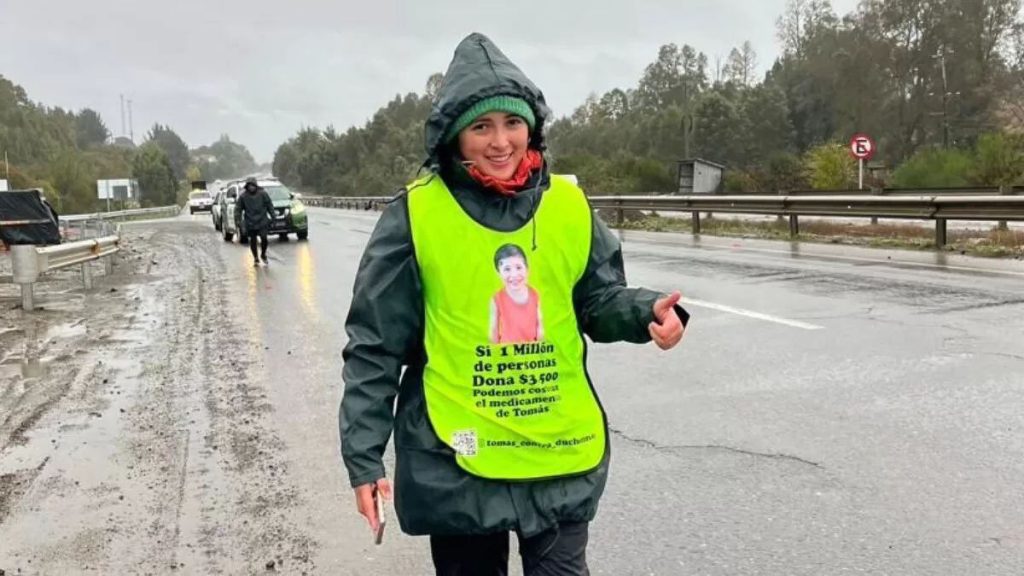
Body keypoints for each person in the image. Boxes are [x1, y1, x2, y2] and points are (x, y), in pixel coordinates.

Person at [340, 33, 689, 576]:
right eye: (481, 126)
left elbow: (596, 299)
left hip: (558, 451)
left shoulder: (568, 205)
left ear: (532, 128)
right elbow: (375, 346)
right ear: (455, 136)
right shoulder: (415, 215)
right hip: (457, 460)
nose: (500, 142)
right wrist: (364, 458)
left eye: (512, 123)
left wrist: (647, 313)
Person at [490, 243, 543, 344]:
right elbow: (493, 330)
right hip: (506, 351)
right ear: (499, 273)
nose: (514, 275)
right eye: (507, 269)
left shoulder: (535, 295)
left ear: (527, 268)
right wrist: (495, 351)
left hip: (532, 350)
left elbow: (540, 326)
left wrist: (539, 348)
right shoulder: (497, 298)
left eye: (518, 267)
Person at [236, 177, 275, 266]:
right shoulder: (243, 197)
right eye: (249, 186)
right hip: (250, 222)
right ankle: (255, 257)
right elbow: (238, 209)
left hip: (262, 220)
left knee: (264, 238)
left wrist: (273, 216)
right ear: (247, 186)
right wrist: (238, 221)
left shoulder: (263, 194)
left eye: (253, 185)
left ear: (256, 185)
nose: (251, 187)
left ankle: (263, 254)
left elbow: (269, 205)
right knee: (253, 240)